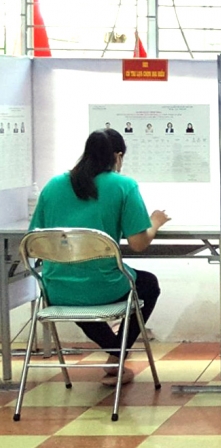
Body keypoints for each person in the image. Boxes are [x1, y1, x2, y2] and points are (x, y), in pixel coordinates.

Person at [29, 129, 169, 387]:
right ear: (118, 156)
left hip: (56, 289)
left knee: (76, 296)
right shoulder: (123, 185)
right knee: (149, 285)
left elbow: (34, 243)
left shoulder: (53, 186)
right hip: (104, 287)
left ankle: (115, 353)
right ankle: (117, 353)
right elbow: (138, 243)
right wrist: (155, 222)